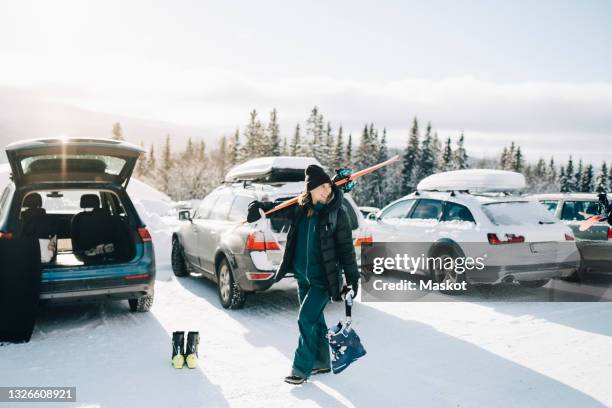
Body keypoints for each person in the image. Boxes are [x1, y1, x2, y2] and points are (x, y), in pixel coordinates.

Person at [247, 164, 360, 385]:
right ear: (310, 190)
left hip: (323, 281)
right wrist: (257, 206)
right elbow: (274, 209)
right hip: (302, 277)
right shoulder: (301, 208)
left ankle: (301, 368)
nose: (326, 191)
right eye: (321, 187)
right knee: (316, 321)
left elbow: (346, 250)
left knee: (305, 319)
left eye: (328, 186)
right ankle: (322, 362)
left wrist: (352, 280)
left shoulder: (337, 213)